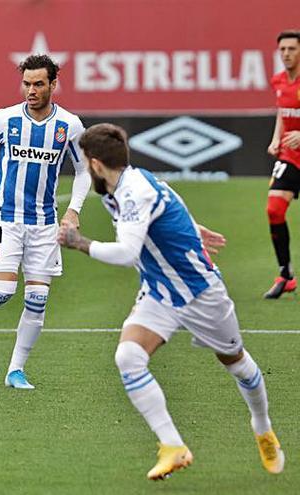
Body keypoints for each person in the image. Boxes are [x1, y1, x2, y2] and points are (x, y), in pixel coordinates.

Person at [59, 123, 284, 480]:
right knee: (128, 357)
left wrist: (78, 242)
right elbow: (168, 194)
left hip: (200, 292)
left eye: (86, 163)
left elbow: (127, 253)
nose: (86, 169)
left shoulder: (132, 192)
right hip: (160, 291)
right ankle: (173, 446)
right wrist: (194, 227)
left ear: (97, 164)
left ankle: (262, 427)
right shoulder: (120, 184)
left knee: (236, 362)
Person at [0, 54, 91, 389]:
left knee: (38, 300)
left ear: (53, 84)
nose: (31, 90)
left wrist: (74, 209)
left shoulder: (69, 126)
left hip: (45, 223)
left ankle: (15, 370)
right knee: (2, 291)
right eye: (27, 83)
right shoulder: (5, 119)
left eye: (38, 84)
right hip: (7, 218)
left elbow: (85, 169)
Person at [264, 30, 300, 298]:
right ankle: (285, 274)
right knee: (274, 209)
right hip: (290, 156)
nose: (286, 54)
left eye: (292, 49)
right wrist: (277, 138)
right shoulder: (278, 80)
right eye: (283, 50)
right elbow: (282, 112)